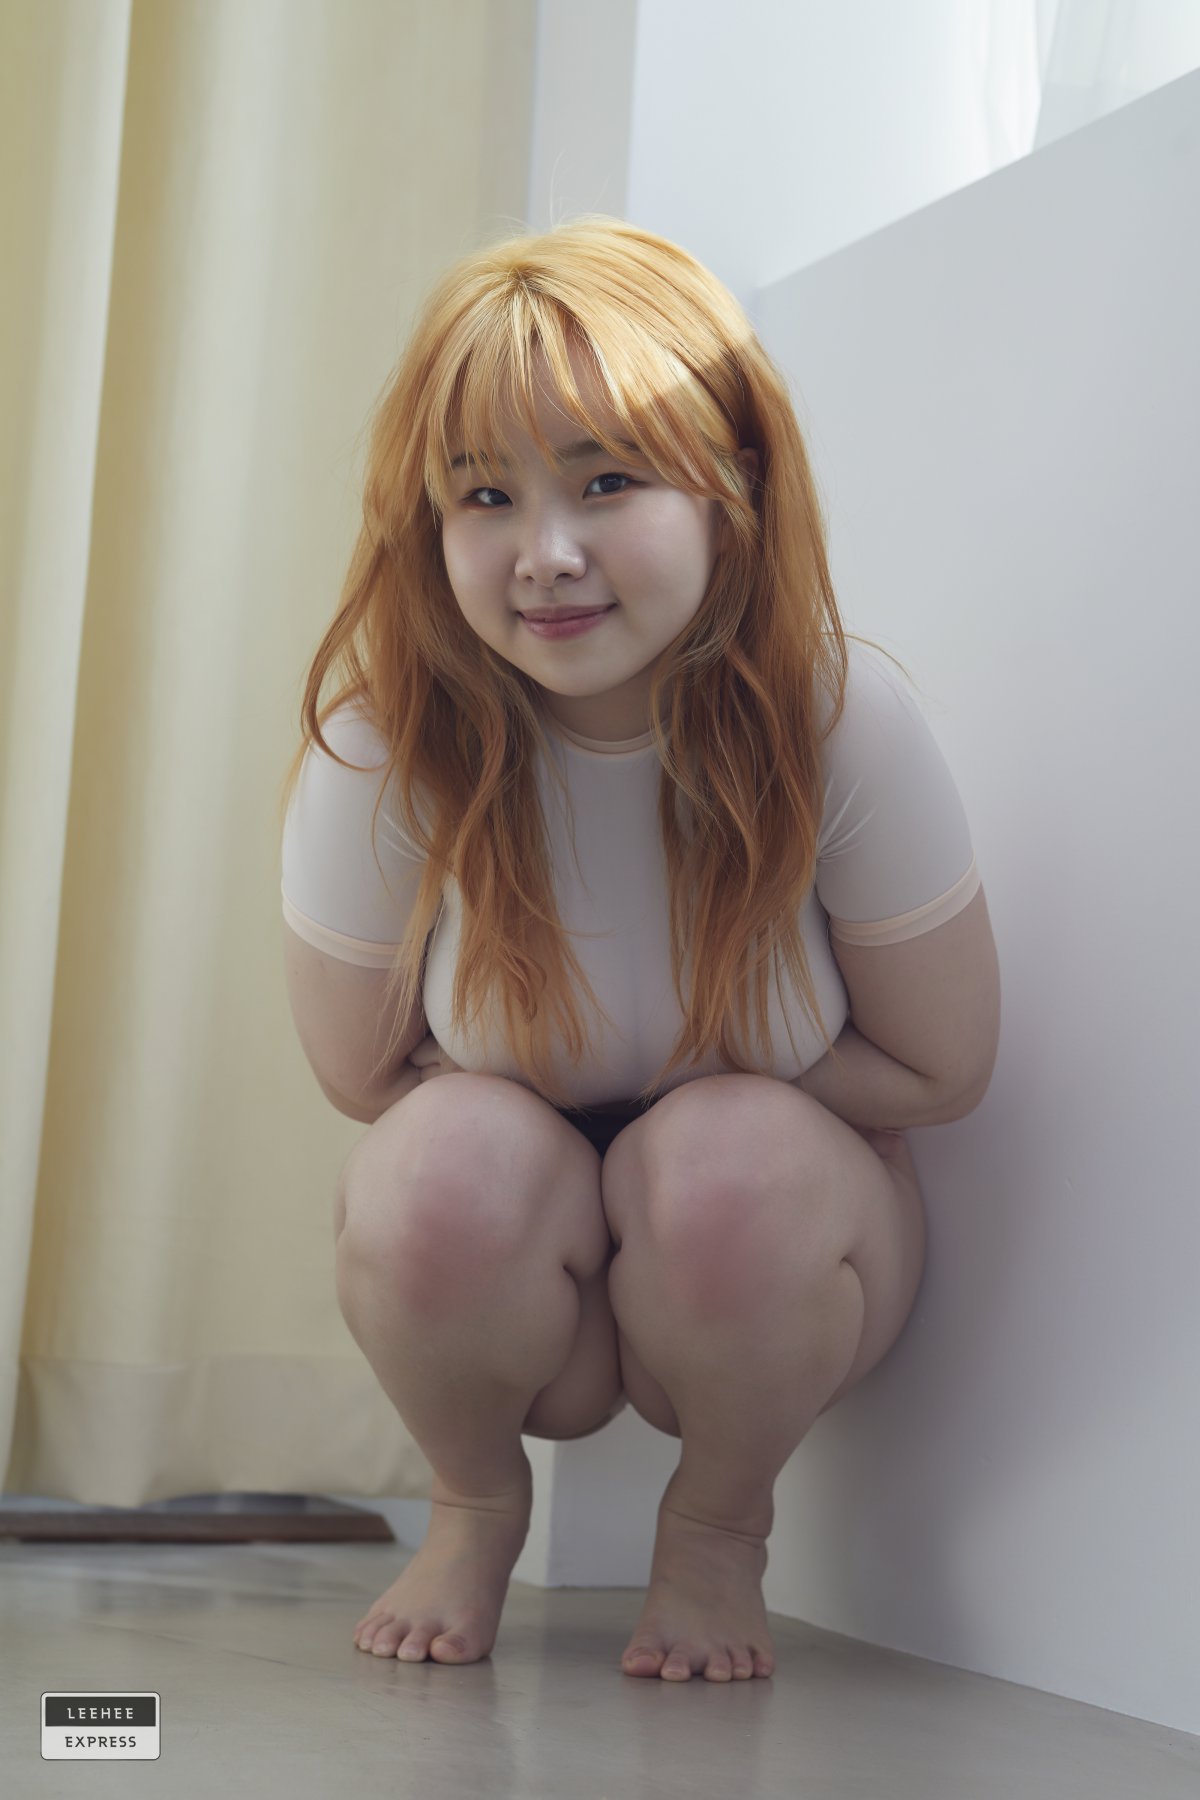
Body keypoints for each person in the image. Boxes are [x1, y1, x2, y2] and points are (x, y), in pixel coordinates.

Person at [278, 216, 998, 1682]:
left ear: (734, 485)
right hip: (528, 1265)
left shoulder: (837, 718)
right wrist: (565, 1134)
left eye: (607, 482)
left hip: (769, 1252)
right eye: (485, 495)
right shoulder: (386, 744)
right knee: (438, 1167)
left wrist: (679, 1108)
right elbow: (360, 1077)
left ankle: (720, 1526)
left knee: (729, 1159)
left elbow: (942, 1068)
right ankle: (475, 1500)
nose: (546, 557)